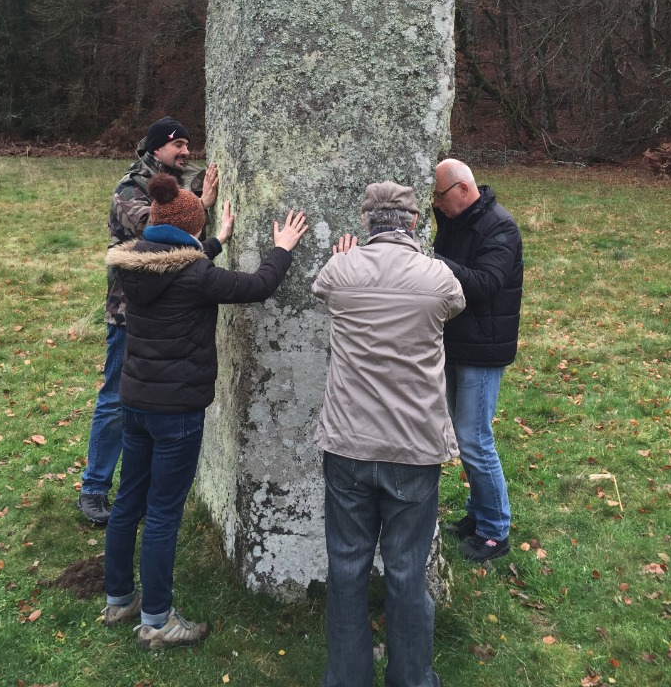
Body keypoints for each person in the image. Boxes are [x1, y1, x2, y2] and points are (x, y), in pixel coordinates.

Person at [102, 173, 308, 648]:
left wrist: (215, 240)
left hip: (134, 403)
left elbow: (180, 272)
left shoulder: (133, 262)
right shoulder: (194, 274)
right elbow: (256, 286)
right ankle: (156, 619)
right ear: (190, 231)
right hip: (175, 410)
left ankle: (119, 598)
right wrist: (283, 248)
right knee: (162, 514)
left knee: (129, 500)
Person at [313, 181, 465, 687]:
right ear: (414, 222)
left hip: (349, 443)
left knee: (347, 568)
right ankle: (413, 679)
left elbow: (324, 290)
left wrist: (349, 259)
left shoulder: (340, 271)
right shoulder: (437, 278)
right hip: (413, 446)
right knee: (406, 571)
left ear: (367, 223)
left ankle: (348, 679)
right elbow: (456, 305)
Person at [77, 117, 218, 524]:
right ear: (157, 148)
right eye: (178, 145)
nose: (187, 152)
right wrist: (201, 208)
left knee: (144, 405)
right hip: (129, 314)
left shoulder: (177, 186)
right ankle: (94, 489)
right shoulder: (130, 188)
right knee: (115, 400)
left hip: (165, 312)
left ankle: (137, 492)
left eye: (189, 145)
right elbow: (158, 228)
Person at [432, 158, 523, 563]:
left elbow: (486, 284)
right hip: (455, 343)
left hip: (482, 350)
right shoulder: (457, 219)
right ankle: (477, 514)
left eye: (440, 196)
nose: (436, 204)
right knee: (463, 436)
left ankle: (495, 530)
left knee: (475, 439)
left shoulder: (499, 227)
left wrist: (435, 265)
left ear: (464, 191)